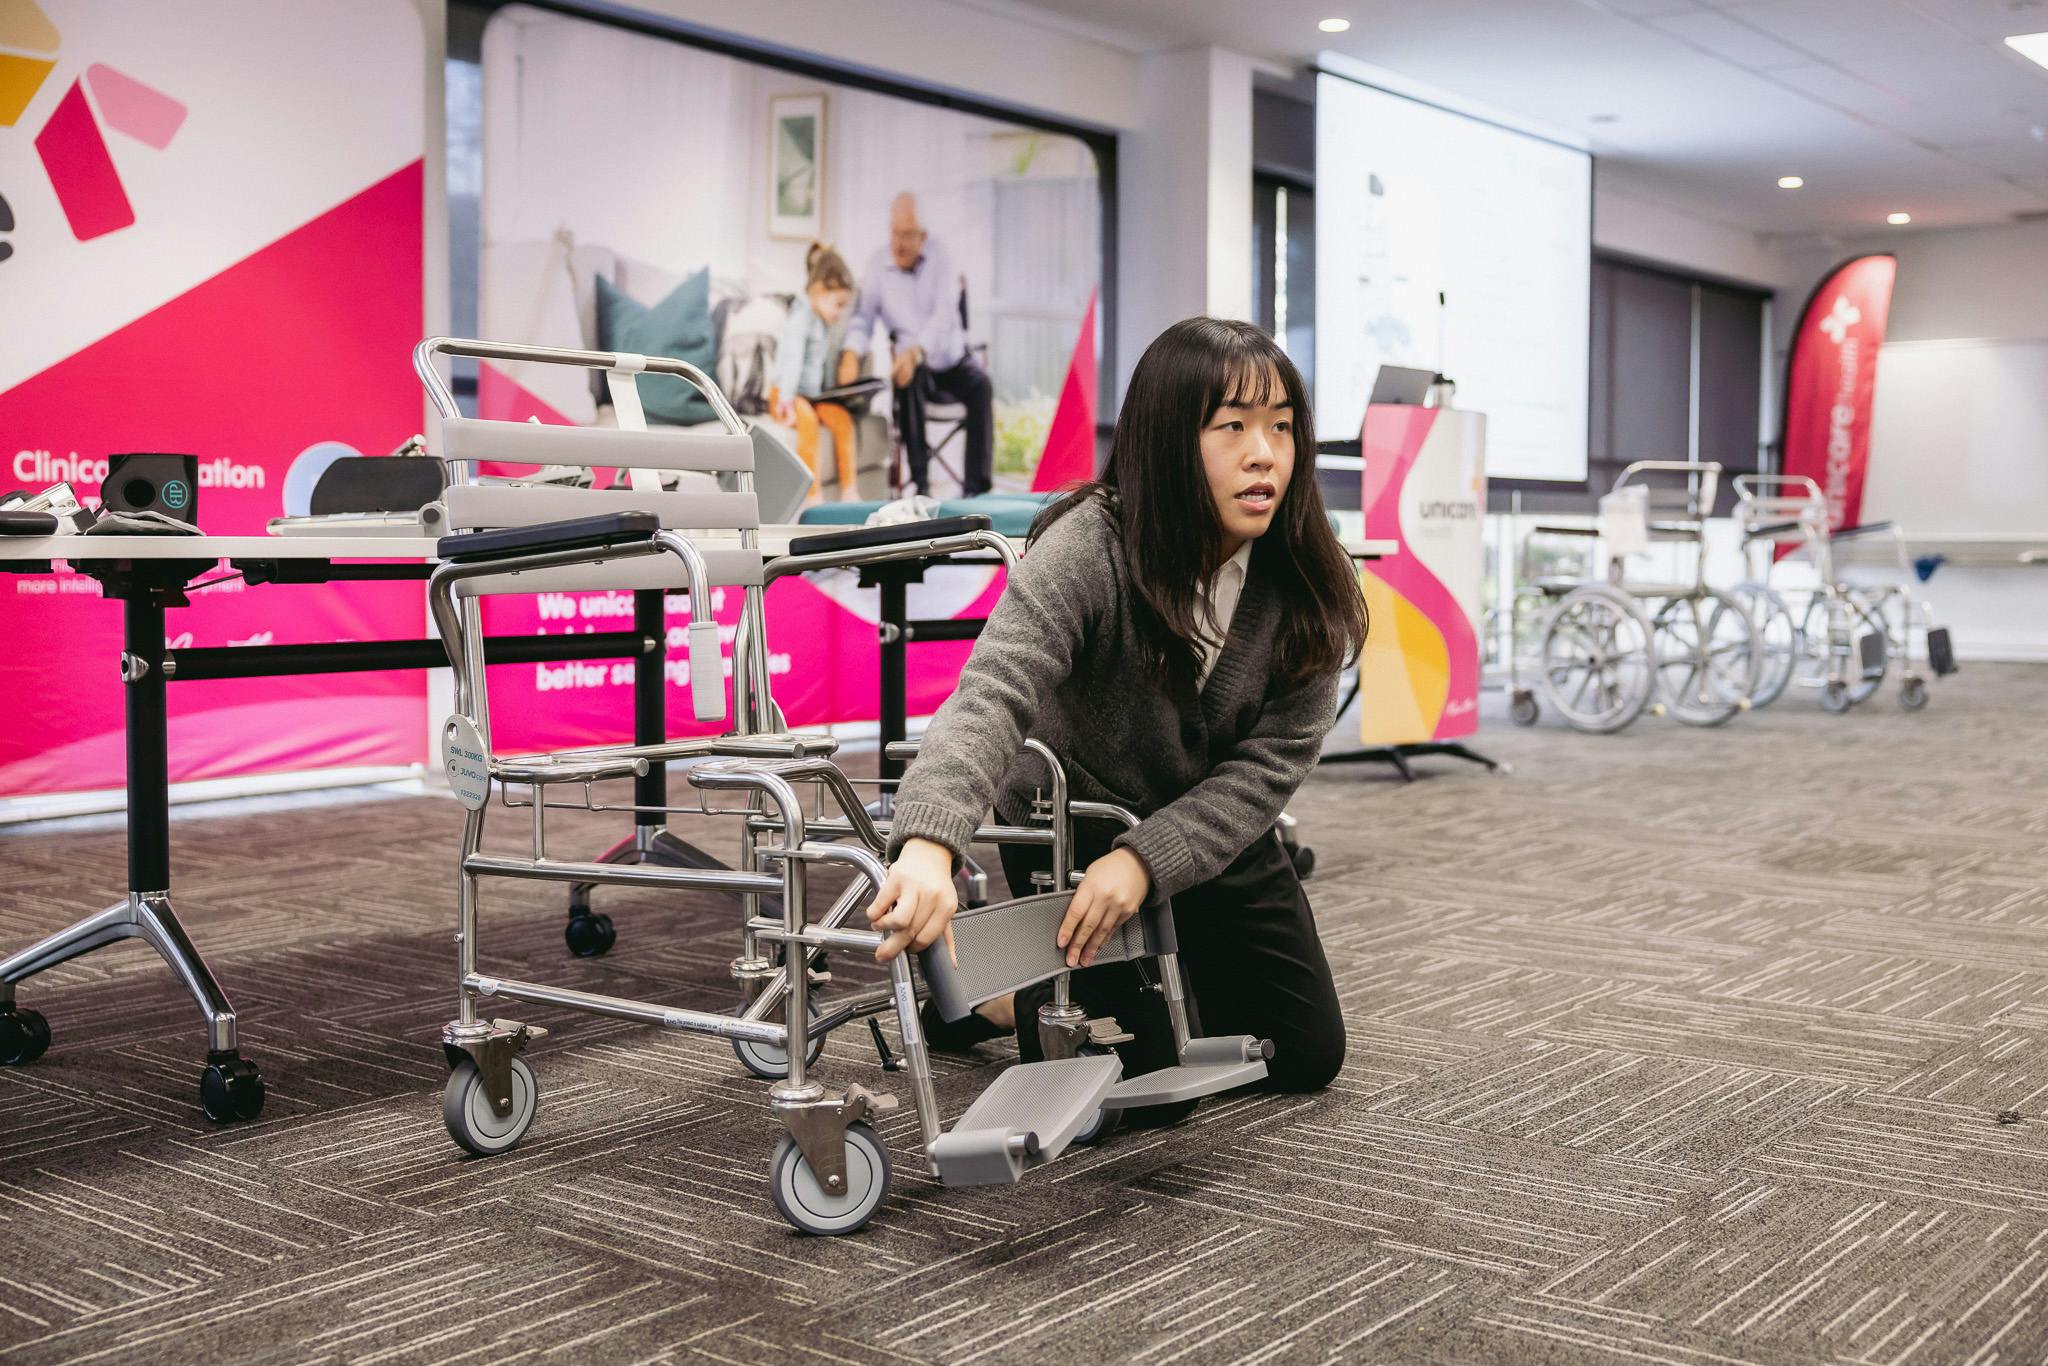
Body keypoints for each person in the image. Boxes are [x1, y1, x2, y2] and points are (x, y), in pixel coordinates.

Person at [864, 316, 1366, 1116]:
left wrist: (1145, 865)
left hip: (1209, 826)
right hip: (1074, 825)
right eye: (1232, 426)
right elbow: (994, 690)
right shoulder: (1090, 544)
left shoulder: (1306, 575)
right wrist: (929, 846)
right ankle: (997, 1000)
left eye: (1281, 427)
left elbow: (1268, 770)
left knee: (1302, 1054)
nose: (1264, 453)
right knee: (1148, 1089)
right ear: (1168, 439)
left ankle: (1101, 963)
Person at [839, 193, 994, 497]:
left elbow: (944, 315)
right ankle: (921, 489)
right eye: (895, 233)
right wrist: (851, 352)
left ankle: (976, 491)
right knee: (907, 379)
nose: (899, 243)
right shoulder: (877, 265)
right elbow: (863, 318)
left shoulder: (942, 259)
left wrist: (916, 350)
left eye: (908, 235)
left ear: (923, 236)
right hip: (914, 369)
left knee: (983, 384)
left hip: (950, 360)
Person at [772, 242, 860, 499]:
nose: (841, 312)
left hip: (811, 396)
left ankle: (850, 491)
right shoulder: (800, 318)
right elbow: (792, 361)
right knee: (808, 421)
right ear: (819, 291)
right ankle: (812, 495)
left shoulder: (825, 323)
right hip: (784, 394)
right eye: (839, 304)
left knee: (842, 420)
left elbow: (824, 366)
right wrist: (786, 403)